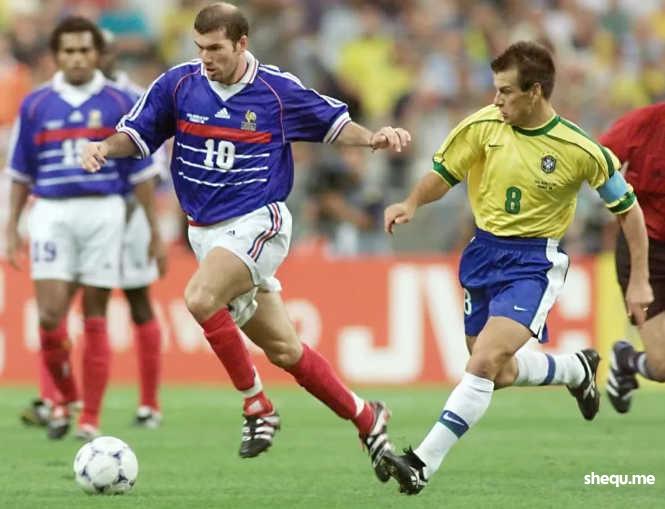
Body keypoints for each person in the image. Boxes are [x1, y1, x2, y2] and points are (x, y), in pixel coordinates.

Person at [81, 2, 410, 478]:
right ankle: (366, 417)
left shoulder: (275, 90)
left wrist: (374, 138)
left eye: (215, 48)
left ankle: (257, 405)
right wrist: (103, 147)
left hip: (259, 220)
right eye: (200, 48)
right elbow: (136, 135)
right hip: (206, 234)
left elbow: (333, 124)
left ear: (241, 44)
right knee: (286, 351)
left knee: (199, 297)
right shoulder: (178, 85)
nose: (206, 58)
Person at [381, 41, 653, 495]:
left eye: (506, 91)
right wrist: (410, 202)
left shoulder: (579, 148)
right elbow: (444, 175)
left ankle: (419, 463)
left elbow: (629, 212)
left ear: (535, 91)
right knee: (498, 371)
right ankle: (575, 370)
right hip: (483, 253)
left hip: (533, 263)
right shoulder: (483, 125)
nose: (496, 100)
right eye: (496, 89)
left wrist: (639, 279)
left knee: (483, 362)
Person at [5, 16, 164, 440]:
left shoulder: (120, 101)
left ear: (97, 55)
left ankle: (89, 417)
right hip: (50, 211)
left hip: (104, 211)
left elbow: (142, 174)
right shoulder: (35, 104)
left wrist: (153, 231)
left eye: (84, 50)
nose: (76, 58)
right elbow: (20, 172)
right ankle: (68, 396)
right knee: (50, 317)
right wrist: (11, 227)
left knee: (95, 315)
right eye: (69, 51)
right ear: (57, 56)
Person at [597, 102, 665, 413]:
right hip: (645, 249)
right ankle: (627, 360)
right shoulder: (644, 123)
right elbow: (596, 161)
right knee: (662, 366)